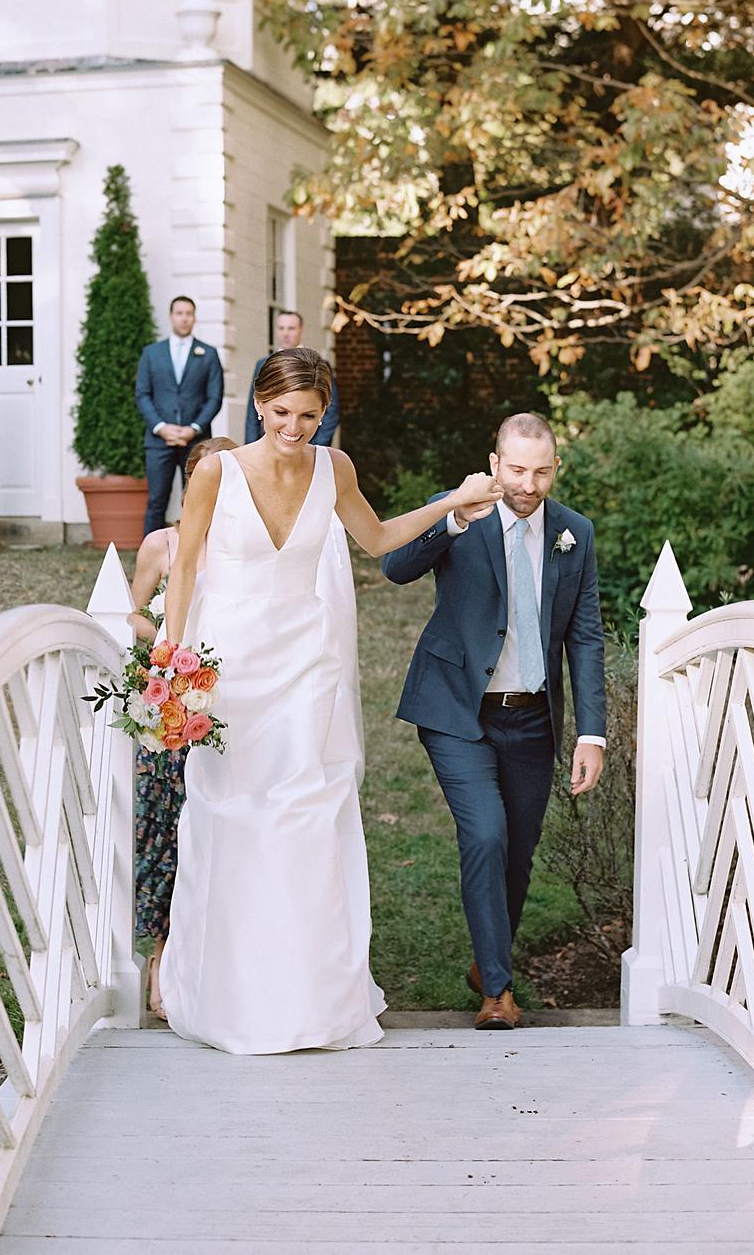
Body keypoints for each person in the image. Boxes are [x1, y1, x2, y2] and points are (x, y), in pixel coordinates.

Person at [158, 347, 501, 1055]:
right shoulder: (216, 473)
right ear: (258, 404)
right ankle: (231, 997)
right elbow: (185, 566)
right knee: (234, 819)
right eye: (282, 412)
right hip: (230, 672)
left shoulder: (333, 468)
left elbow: (376, 540)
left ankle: (311, 998)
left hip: (309, 665)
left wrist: (453, 504)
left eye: (309, 416)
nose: (294, 427)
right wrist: (173, 664)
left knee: (308, 819)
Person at [382, 413, 606, 1030]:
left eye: (539, 472)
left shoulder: (574, 533)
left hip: (533, 719)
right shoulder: (460, 510)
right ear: (494, 462)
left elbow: (584, 636)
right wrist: (454, 515)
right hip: (457, 710)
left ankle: (488, 960)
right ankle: (498, 995)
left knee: (517, 853)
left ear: (555, 468)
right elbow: (394, 567)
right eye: (515, 470)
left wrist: (592, 731)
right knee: (484, 834)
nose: (526, 485)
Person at [127, 435, 237, 1018]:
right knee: (169, 833)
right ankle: (162, 956)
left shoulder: (250, 543)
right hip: (177, 708)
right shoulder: (162, 543)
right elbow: (130, 609)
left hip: (237, 704)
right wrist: (161, 643)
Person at [135, 295, 224, 537]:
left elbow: (215, 397)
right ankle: (151, 557)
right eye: (179, 313)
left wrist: (193, 428)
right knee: (156, 500)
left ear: (194, 318)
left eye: (189, 313)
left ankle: (196, 554)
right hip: (158, 441)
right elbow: (142, 394)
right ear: (171, 316)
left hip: (196, 441)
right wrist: (161, 427)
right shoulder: (151, 353)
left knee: (196, 498)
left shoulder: (208, 353)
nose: (184, 318)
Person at [244, 310, 340, 445]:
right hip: (268, 446)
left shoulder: (319, 365)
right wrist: (251, 445)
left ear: (301, 330)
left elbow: (331, 409)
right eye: (281, 328)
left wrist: (317, 447)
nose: (285, 333)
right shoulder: (263, 364)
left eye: (291, 328)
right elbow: (252, 411)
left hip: (308, 444)